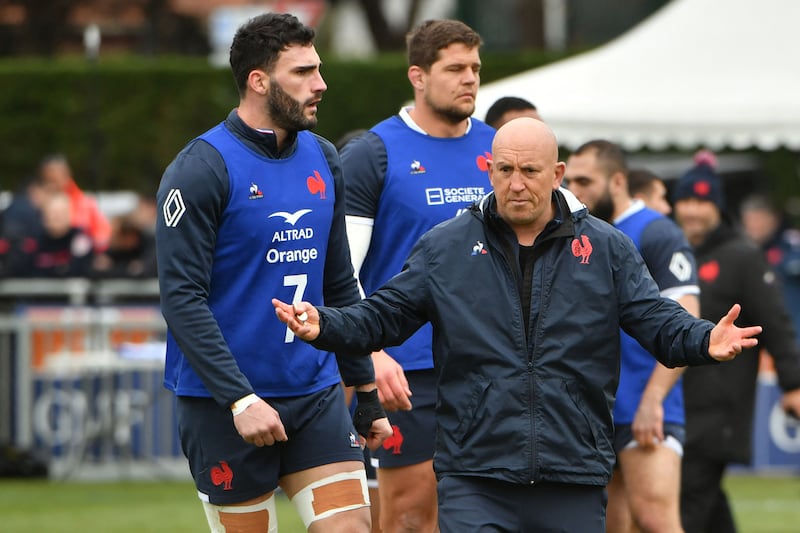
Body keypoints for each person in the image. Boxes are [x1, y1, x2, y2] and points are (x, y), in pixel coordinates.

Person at [273, 117, 763, 532]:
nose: (517, 184)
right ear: (488, 170)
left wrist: (703, 337)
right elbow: (385, 316)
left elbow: (655, 319)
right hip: (475, 473)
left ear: (558, 174)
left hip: (573, 472)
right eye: (504, 170)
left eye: (530, 171)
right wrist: (327, 324)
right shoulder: (446, 246)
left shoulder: (607, 248)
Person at [155, 13, 392, 533]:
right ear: (259, 81)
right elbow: (181, 297)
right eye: (303, 72)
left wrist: (366, 390)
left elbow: (339, 286)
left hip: (314, 393)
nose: (321, 84)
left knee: (351, 527)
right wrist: (239, 399)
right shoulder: (201, 168)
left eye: (318, 69)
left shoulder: (323, 157)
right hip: (225, 405)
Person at [339, 18, 494, 532]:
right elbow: (341, 269)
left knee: (489, 509)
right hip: (409, 366)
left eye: (474, 67)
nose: (469, 78)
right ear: (418, 75)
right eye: (454, 68)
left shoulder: (501, 151)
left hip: (493, 362)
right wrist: (371, 351)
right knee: (408, 514)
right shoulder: (373, 153)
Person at [564, 140, 699, 533]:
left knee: (655, 518)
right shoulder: (578, 232)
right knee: (607, 525)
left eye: (585, 180)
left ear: (618, 181)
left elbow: (687, 321)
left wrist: (652, 400)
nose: (575, 189)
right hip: (590, 410)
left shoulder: (657, 232)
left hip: (645, 406)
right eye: (569, 179)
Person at [671, 152, 800, 533]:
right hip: (679, 400)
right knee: (706, 508)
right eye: (687, 201)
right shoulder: (671, 251)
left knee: (687, 503)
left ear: (718, 208)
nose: (693, 211)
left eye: (703, 202)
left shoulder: (742, 257)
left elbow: (776, 322)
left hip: (719, 407)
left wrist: (793, 384)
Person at [739, 194, 800, 339]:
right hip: (768, 341)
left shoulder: (791, 244)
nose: (754, 226)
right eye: (749, 220)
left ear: (773, 218)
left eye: (758, 219)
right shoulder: (743, 253)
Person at [36, 154, 112, 252]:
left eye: (54, 180)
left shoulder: (85, 205)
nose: (51, 185)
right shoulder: (37, 204)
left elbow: (102, 236)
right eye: (47, 180)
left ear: (67, 175)